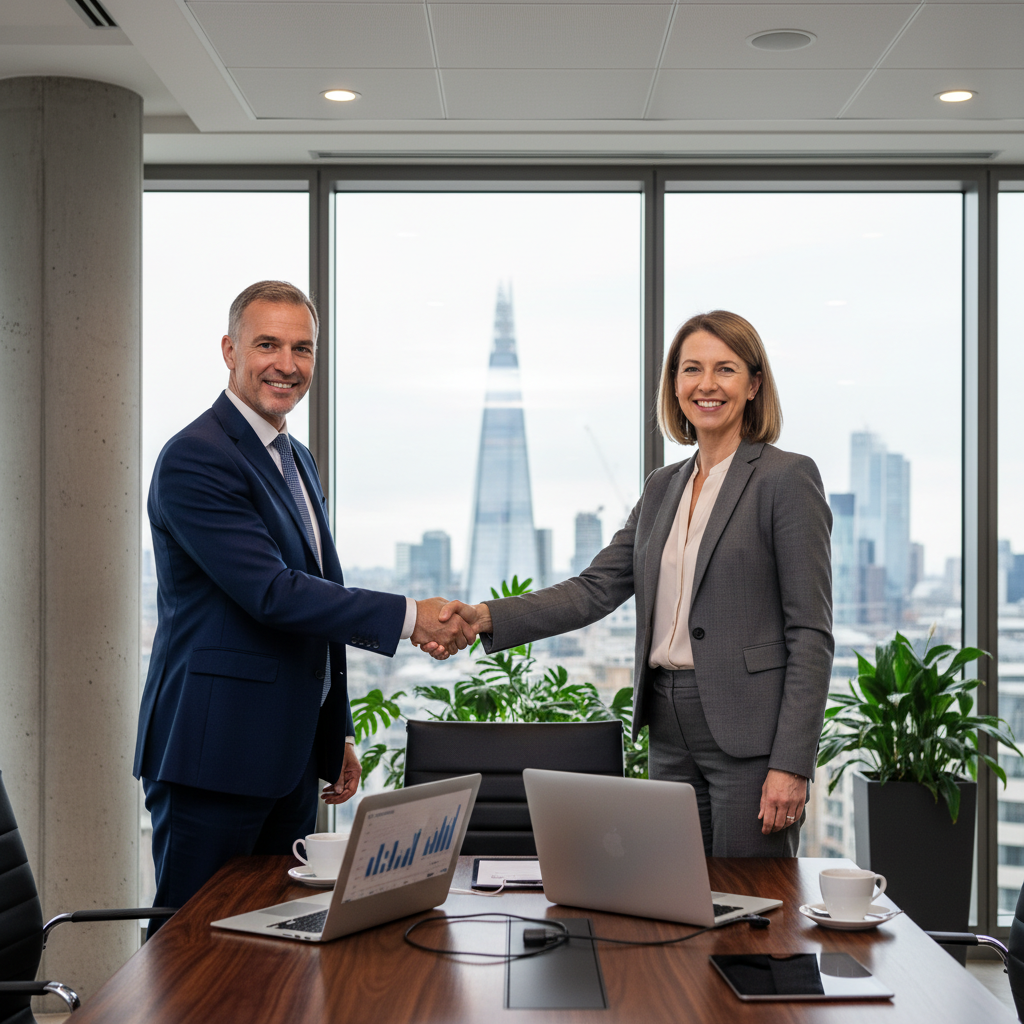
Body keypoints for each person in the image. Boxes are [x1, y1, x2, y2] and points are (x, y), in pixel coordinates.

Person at [434, 310, 833, 856]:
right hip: (667, 724)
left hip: (749, 734)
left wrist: (791, 762)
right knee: (673, 894)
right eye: (691, 369)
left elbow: (810, 632)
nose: (707, 385)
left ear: (754, 384)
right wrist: (482, 617)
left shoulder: (785, 478)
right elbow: (594, 588)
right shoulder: (664, 485)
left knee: (751, 904)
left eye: (726, 369)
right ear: (674, 384)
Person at [134, 281, 468, 926]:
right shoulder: (196, 458)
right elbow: (273, 594)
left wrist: (333, 726)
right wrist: (410, 615)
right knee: (190, 948)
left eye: (303, 348)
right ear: (230, 350)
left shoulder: (296, 459)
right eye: (267, 344)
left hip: (286, 758)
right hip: (215, 754)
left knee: (273, 938)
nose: (287, 364)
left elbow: (317, 599)